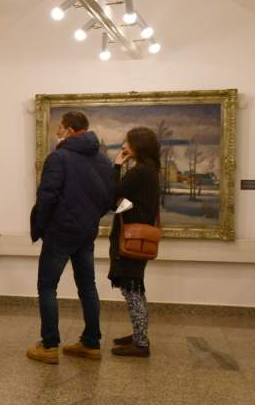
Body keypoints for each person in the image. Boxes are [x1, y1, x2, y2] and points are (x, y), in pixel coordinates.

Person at [27, 111, 113, 364]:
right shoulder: (103, 160)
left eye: (60, 127)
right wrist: (90, 219)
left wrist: (41, 226)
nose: (57, 132)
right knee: (87, 286)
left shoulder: (58, 158)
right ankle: (91, 343)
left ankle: (49, 345)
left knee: (47, 286)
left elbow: (47, 196)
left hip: (59, 233)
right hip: (86, 232)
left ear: (70, 130)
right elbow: (108, 199)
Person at [109, 127, 161, 357]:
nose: (123, 146)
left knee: (132, 290)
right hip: (138, 237)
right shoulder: (150, 170)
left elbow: (113, 192)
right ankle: (139, 334)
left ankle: (140, 343)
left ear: (138, 145)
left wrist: (116, 166)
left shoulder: (141, 172)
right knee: (135, 287)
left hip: (132, 239)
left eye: (127, 142)